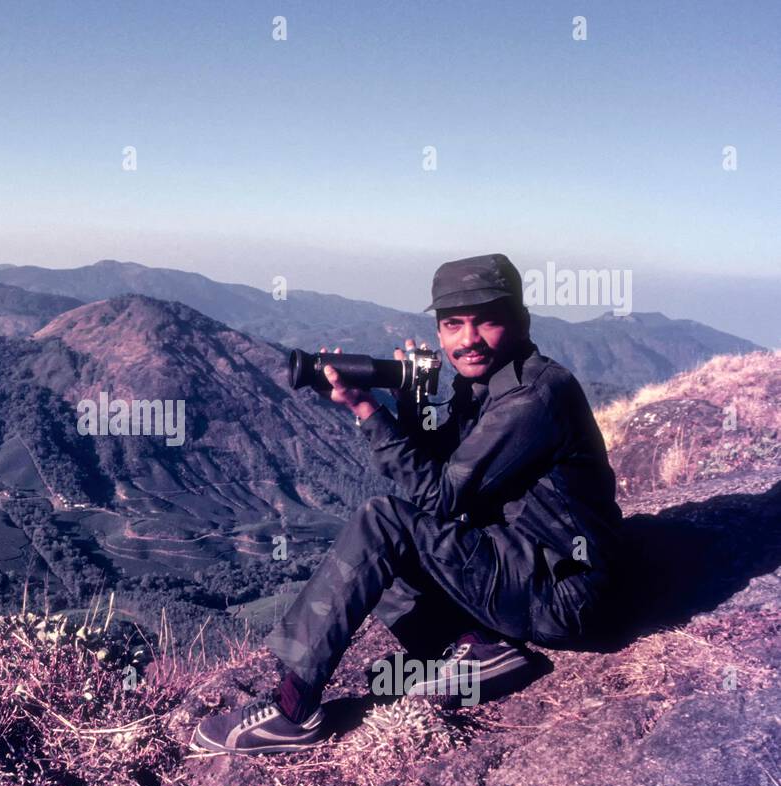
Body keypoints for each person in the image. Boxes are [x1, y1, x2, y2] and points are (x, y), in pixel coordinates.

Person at [192, 253, 624, 754]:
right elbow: (450, 475)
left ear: (521, 321)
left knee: (382, 522)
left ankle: (292, 708)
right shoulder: (484, 386)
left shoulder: (534, 396)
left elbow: (440, 496)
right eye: (453, 324)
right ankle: (481, 649)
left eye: (487, 320)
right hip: (521, 566)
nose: (468, 339)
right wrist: (412, 404)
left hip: (564, 595)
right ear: (439, 331)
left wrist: (367, 410)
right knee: (380, 560)